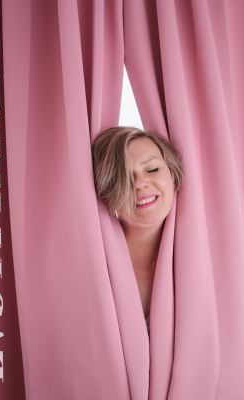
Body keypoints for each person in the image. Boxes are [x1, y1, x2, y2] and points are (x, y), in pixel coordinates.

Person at [91, 126, 184, 335]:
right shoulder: (94, 265)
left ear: (173, 176)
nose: (140, 184)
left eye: (152, 169)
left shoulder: (204, 259)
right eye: (124, 177)